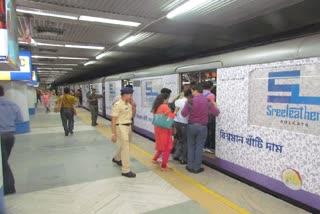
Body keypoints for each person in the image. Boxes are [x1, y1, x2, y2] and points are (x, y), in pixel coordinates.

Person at [181, 84, 219, 174]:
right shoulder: (207, 101)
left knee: (191, 146)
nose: (192, 93)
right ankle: (197, 168)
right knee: (199, 147)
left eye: (192, 91)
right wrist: (214, 105)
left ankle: (190, 166)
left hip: (191, 127)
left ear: (196, 91)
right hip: (202, 127)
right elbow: (216, 113)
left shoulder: (190, 101)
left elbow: (183, 114)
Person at [0, 85, 23, 195]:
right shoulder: (13, 104)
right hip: (10, 136)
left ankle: (9, 187)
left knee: (3, 163)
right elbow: (19, 119)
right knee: (4, 161)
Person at [111, 87, 136, 178]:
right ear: (125, 95)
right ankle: (126, 170)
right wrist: (113, 134)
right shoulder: (118, 105)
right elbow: (113, 120)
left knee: (125, 145)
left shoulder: (128, 104)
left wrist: (133, 106)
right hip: (121, 127)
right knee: (126, 149)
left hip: (128, 126)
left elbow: (132, 116)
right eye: (130, 95)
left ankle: (117, 158)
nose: (131, 96)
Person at [152, 93, 178, 171]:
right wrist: (176, 111)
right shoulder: (164, 106)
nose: (168, 100)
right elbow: (171, 117)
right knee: (168, 147)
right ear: (164, 99)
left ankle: (155, 159)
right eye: (167, 99)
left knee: (161, 145)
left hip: (158, 128)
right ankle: (164, 166)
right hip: (164, 129)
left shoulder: (156, 107)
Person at [172, 89, 192, 164]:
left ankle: (176, 155)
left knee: (179, 139)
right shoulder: (187, 102)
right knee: (185, 141)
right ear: (190, 95)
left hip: (176, 122)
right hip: (184, 123)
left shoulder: (178, 101)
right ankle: (183, 158)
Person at [202, 81, 216, 153]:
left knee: (204, 130)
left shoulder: (201, 93)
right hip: (209, 115)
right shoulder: (211, 95)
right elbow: (212, 105)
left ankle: (202, 145)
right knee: (210, 130)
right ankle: (207, 146)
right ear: (211, 87)